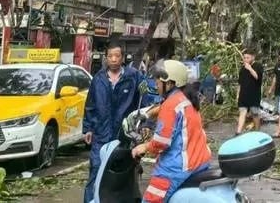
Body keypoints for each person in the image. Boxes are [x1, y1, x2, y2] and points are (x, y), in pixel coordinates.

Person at [131, 60, 211, 203]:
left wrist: (143, 147)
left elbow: (161, 143)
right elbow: (164, 107)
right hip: (200, 161)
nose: (156, 85)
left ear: (169, 83)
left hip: (177, 167)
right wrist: (148, 114)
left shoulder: (171, 105)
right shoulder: (186, 98)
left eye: (158, 82)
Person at [82, 41, 141, 203]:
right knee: (95, 173)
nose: (113, 59)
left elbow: (143, 104)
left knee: (124, 175)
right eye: (110, 56)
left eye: (117, 56)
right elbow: (90, 105)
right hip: (101, 134)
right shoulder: (98, 79)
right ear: (106, 58)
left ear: (122, 58)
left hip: (124, 136)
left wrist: (141, 129)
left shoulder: (133, 77)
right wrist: (87, 128)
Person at [236, 48, 264, 135]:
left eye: (247, 57)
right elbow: (240, 83)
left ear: (253, 57)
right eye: (244, 58)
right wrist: (238, 95)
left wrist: (250, 69)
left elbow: (257, 77)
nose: (245, 59)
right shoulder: (242, 69)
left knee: (255, 113)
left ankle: (257, 132)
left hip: (254, 95)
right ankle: (238, 132)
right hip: (243, 95)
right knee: (242, 112)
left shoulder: (258, 66)